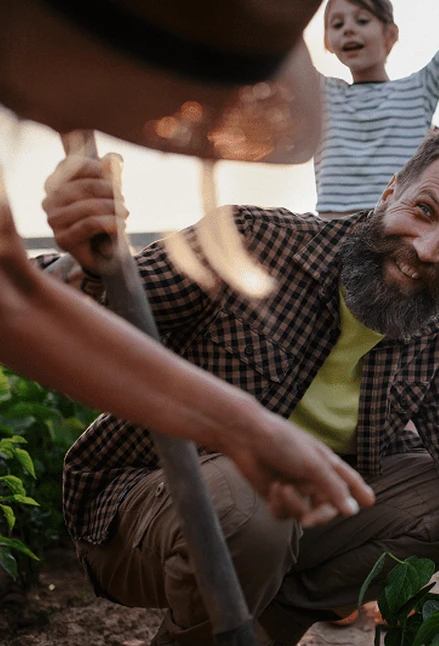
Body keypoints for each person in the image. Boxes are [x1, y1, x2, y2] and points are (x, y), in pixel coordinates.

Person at [40, 128, 439, 645]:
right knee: (254, 496)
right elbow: (120, 299)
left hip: (275, 525)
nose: (428, 249)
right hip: (142, 504)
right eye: (423, 211)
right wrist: (84, 269)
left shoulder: (436, 333)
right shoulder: (255, 241)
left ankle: (263, 630)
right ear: (389, 194)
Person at [0, 169, 373, 529]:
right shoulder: (260, 236)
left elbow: (17, 305)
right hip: (138, 488)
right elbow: (23, 304)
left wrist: (246, 428)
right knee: (241, 502)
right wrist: (87, 274)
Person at [315, 0, 439, 217]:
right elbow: (281, 40)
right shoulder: (321, 92)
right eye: (337, 24)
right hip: (332, 237)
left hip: (394, 233)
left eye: (362, 20)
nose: (348, 29)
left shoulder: (421, 88)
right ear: (327, 41)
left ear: (390, 34)